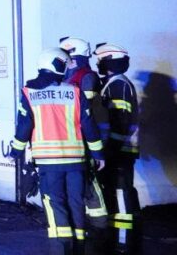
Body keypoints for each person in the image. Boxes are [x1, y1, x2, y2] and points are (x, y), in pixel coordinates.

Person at [11, 47, 105, 255]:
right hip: (76, 162)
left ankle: (61, 249)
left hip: (49, 163)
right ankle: (79, 248)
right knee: (76, 204)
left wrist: (15, 152)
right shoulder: (75, 92)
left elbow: (24, 126)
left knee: (55, 205)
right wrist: (98, 155)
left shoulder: (29, 93)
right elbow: (89, 125)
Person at [94, 43, 141, 254]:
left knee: (121, 195)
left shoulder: (118, 85)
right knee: (116, 193)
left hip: (120, 151)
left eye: (100, 61)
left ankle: (123, 243)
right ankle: (118, 239)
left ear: (109, 62)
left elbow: (121, 121)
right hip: (117, 149)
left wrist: (110, 150)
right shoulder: (113, 84)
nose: (98, 64)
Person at [60, 37, 110, 234]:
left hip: (86, 140)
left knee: (90, 185)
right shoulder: (68, 77)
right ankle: (83, 226)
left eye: (69, 58)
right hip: (74, 140)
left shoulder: (87, 77)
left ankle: (99, 228)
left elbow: (85, 114)